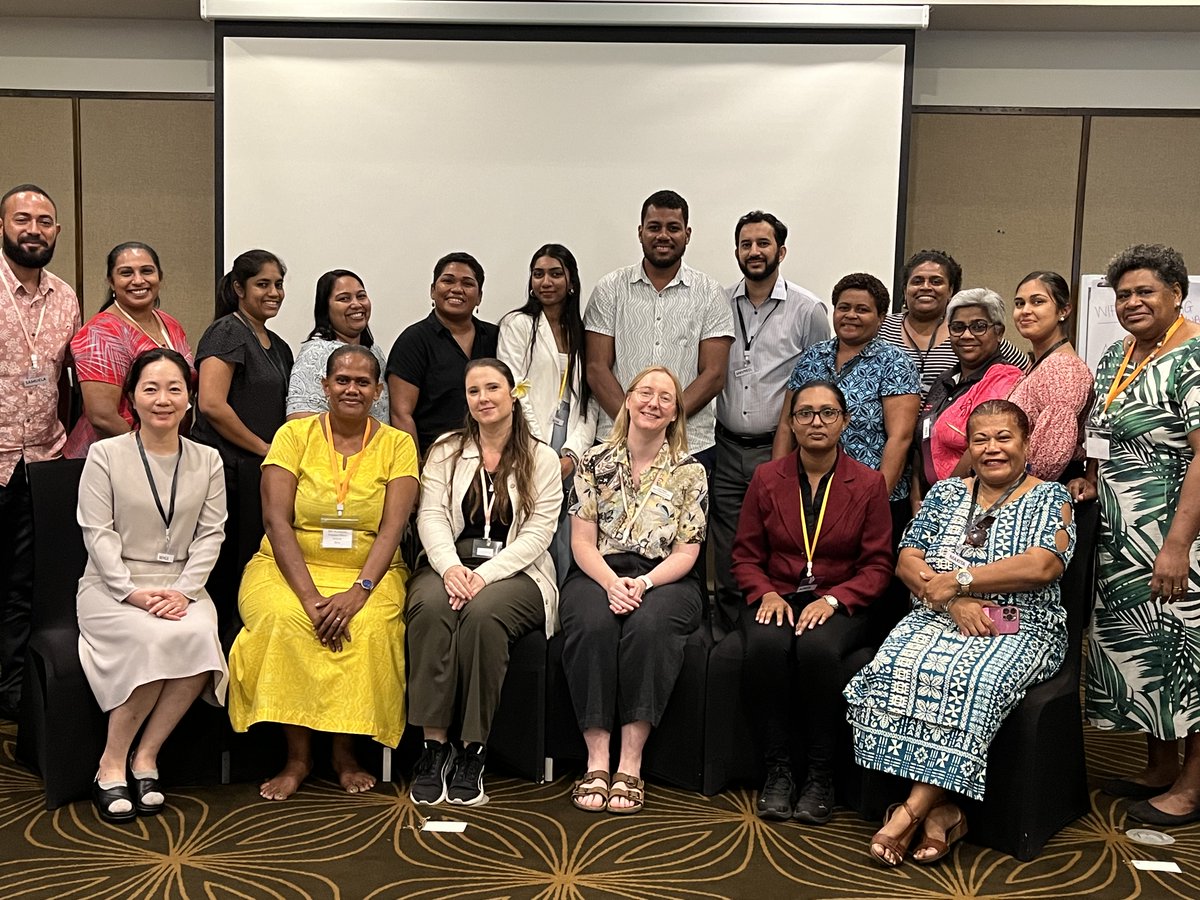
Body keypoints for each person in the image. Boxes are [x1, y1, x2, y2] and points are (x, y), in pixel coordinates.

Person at [846, 399, 1075, 866]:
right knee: (896, 665)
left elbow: (1043, 566)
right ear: (967, 447)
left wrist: (964, 580)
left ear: (1026, 443)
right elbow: (907, 560)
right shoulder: (946, 494)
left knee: (971, 678)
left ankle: (910, 812)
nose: (992, 449)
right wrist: (952, 599)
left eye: (1004, 438)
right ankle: (945, 812)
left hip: (1021, 622)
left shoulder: (1052, 498)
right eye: (980, 439)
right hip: (939, 614)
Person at [228, 345, 419, 800]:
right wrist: (311, 597)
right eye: (342, 380)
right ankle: (298, 757)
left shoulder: (398, 444)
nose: (351, 389)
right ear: (324, 386)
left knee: (367, 625)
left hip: (369, 569)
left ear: (377, 392)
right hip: (287, 566)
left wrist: (359, 591)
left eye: (362, 382)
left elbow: (394, 528)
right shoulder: (293, 436)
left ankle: (345, 753)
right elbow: (276, 521)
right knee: (287, 619)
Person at [1069, 244, 1200, 827]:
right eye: (1123, 294)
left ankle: (1192, 789)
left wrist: (1177, 545)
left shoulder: (1193, 356)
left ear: (1177, 294)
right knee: (1150, 653)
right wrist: (1093, 482)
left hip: (1177, 534)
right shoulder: (1119, 353)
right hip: (1122, 536)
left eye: (1145, 291)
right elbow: (1107, 434)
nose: (1131, 302)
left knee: (1187, 657)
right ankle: (1158, 765)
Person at [76, 348, 228, 824]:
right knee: (151, 637)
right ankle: (110, 763)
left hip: (181, 585)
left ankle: (146, 756)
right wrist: (131, 593)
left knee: (199, 634)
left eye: (174, 389)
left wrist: (184, 590)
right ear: (132, 399)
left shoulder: (208, 460)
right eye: (150, 389)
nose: (163, 399)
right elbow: (96, 532)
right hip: (112, 586)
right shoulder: (105, 455)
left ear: (190, 400)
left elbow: (211, 533)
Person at [733, 381, 893, 824]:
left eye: (827, 413)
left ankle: (821, 775)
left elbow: (878, 566)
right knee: (766, 647)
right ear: (791, 422)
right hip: (776, 592)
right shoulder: (767, 477)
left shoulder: (869, 483)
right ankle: (778, 771)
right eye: (804, 413)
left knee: (818, 650)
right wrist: (764, 590)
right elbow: (745, 554)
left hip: (840, 599)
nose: (816, 422)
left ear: (844, 420)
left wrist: (837, 599)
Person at [406, 358, 563, 807]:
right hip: (449, 564)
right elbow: (431, 515)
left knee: (482, 615)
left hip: (516, 572)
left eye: (492, 388)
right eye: (474, 391)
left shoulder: (542, 457)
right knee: (431, 608)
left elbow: (538, 535)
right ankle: (434, 748)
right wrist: (451, 567)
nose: (483, 398)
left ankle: (473, 750)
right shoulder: (445, 450)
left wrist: (482, 576)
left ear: (512, 394)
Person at [561, 366, 707, 815]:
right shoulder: (593, 461)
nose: (653, 403)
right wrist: (610, 583)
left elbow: (687, 553)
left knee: (651, 627)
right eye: (645, 392)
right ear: (627, 400)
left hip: (664, 576)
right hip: (597, 570)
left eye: (666, 398)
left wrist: (642, 583)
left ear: (675, 414)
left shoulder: (690, 471)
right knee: (590, 624)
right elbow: (581, 543)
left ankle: (631, 760)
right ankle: (597, 759)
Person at [711, 211, 829, 634]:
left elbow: (820, 382)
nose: (754, 252)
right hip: (723, 446)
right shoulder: (717, 303)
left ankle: (769, 628)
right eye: (746, 244)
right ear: (736, 251)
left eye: (763, 244)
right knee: (726, 544)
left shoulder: (808, 308)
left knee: (778, 540)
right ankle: (726, 632)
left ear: (781, 250)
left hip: (779, 449)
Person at [0, 183, 80, 721]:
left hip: (42, 462)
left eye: (44, 221)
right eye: (22, 219)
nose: (34, 229)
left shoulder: (66, 296)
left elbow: (69, 382)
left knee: (24, 584)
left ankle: (10, 691)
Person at [584, 190, 734, 473]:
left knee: (686, 520)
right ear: (640, 232)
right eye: (654, 227)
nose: (663, 235)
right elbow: (596, 368)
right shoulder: (610, 289)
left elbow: (713, 376)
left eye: (673, 228)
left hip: (689, 446)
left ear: (687, 234)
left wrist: (665, 420)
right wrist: (634, 425)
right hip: (617, 442)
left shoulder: (710, 293)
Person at [192, 249, 294, 631]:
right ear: (238, 288)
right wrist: (266, 449)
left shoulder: (279, 345)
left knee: (249, 570)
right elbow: (213, 405)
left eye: (279, 284)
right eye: (262, 284)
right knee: (222, 572)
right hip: (225, 474)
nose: (274, 292)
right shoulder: (228, 331)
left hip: (256, 475)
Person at [773, 273, 920, 506]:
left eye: (862, 309)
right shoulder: (813, 356)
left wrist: (876, 501)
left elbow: (899, 439)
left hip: (869, 495)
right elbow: (785, 425)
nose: (850, 315)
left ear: (881, 317)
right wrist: (776, 485)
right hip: (810, 491)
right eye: (844, 307)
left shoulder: (895, 363)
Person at [497, 244, 596, 584]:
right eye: (538, 274)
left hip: (571, 440)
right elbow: (514, 389)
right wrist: (543, 449)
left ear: (571, 281)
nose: (546, 281)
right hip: (530, 436)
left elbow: (590, 400)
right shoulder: (517, 324)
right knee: (532, 522)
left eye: (555, 273)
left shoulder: (583, 331)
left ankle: (567, 605)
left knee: (570, 530)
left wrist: (572, 452)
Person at [65, 242, 194, 458]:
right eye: (126, 273)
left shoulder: (170, 324)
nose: (138, 280)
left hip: (166, 451)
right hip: (116, 458)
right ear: (111, 282)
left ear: (159, 277)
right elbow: (102, 417)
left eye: (147, 271)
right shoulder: (100, 333)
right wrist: (149, 454)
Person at [914, 289, 1024, 497]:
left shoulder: (1006, 379)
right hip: (929, 500)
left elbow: (984, 446)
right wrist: (916, 495)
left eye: (979, 327)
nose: (966, 335)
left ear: (999, 332)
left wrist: (944, 499)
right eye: (958, 327)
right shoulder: (943, 380)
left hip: (971, 500)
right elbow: (923, 439)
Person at [387, 252, 499, 456]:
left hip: (494, 460)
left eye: (467, 283)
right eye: (448, 280)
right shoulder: (413, 341)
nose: (457, 289)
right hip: (435, 462)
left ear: (480, 296)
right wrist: (416, 470)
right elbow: (401, 414)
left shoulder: (497, 338)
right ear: (432, 290)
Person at [879, 250, 1026, 398]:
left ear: (951, 290)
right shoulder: (881, 329)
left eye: (936, 281)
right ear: (905, 290)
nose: (925, 287)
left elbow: (1024, 370)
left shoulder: (969, 333)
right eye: (917, 281)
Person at [1007, 271, 1094, 482]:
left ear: (1064, 310)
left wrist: (1014, 494)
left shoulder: (1062, 367)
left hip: (1037, 489)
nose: (1025, 311)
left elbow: (1050, 456)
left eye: (1037, 302)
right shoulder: (1042, 363)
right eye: (1019, 304)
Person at [287, 269, 389, 421]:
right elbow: (299, 422)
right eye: (344, 299)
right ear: (325, 308)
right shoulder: (315, 353)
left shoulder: (375, 352)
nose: (356, 304)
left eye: (361, 296)